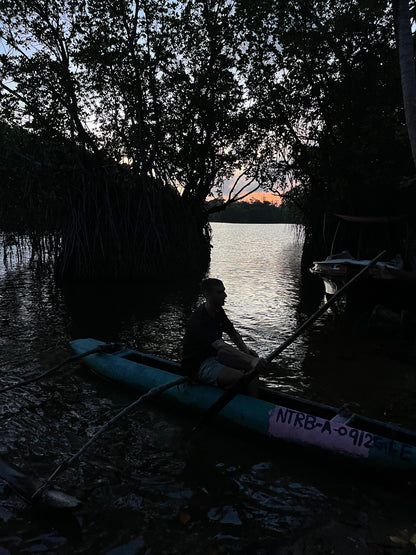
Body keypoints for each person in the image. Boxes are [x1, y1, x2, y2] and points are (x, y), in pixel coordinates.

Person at [181, 278, 268, 395]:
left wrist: (246, 351)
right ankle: (246, 402)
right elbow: (221, 346)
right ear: (207, 294)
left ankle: (252, 399)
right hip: (198, 365)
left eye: (224, 291)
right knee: (241, 377)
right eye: (220, 292)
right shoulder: (199, 320)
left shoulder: (218, 311)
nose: (225, 295)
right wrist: (252, 360)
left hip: (215, 356)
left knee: (252, 369)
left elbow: (232, 333)